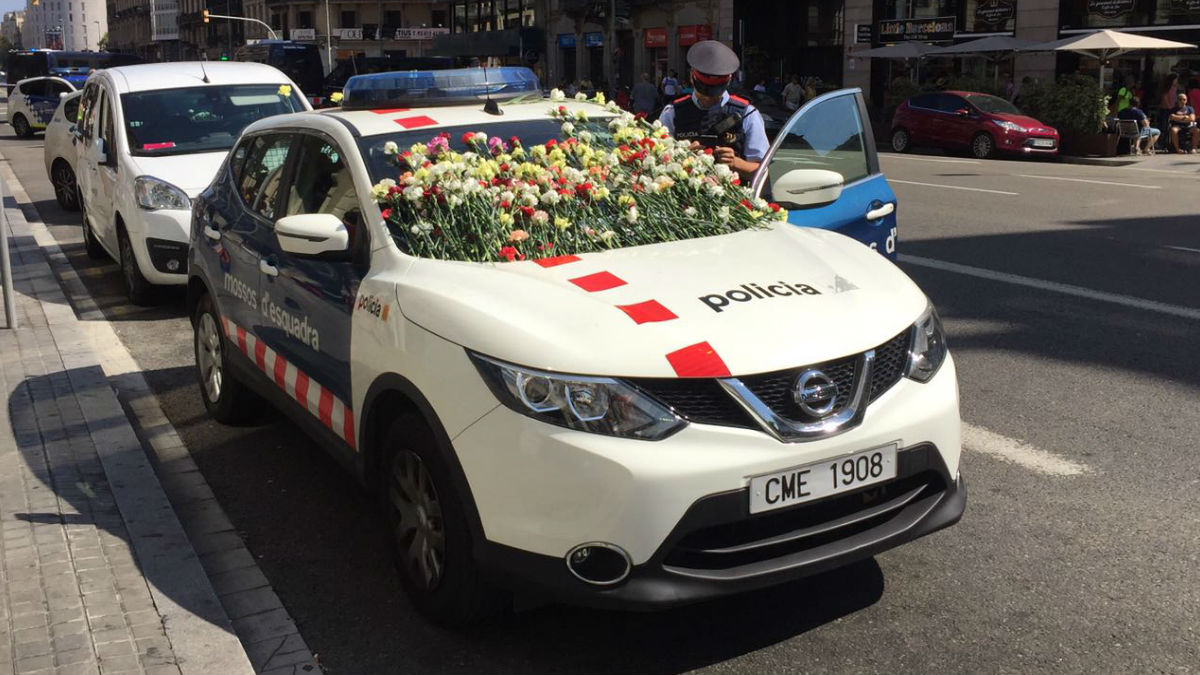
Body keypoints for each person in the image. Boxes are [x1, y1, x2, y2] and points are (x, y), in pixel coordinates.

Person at [658, 40, 769, 183]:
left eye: (714, 92)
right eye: (703, 89)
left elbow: (762, 173)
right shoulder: (672, 113)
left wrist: (735, 163)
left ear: (728, 81)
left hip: (733, 200)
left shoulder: (748, 114)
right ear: (692, 77)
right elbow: (656, 166)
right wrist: (682, 159)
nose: (707, 97)